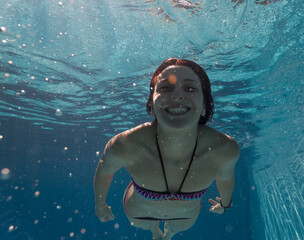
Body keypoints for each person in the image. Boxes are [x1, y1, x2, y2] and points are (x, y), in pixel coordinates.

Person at [94, 58, 240, 240]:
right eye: (165, 88)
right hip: (141, 215)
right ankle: (155, 231)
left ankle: (168, 234)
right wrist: (100, 204)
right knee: (151, 229)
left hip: (183, 218)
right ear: (151, 105)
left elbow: (225, 179)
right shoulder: (126, 144)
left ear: (204, 105)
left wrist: (225, 203)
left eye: (190, 88)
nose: (177, 95)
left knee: (173, 232)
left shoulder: (224, 149)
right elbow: (104, 171)